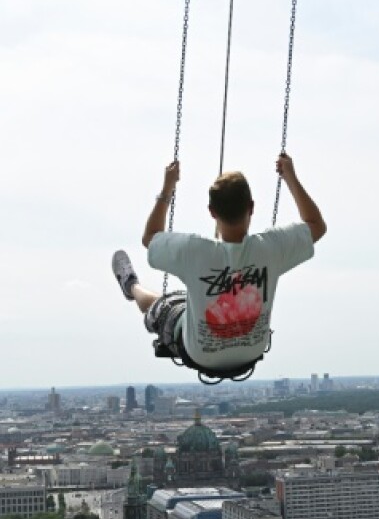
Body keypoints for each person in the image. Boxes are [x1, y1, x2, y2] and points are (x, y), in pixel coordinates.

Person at [112, 152, 325, 375]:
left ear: (212, 212)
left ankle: (131, 286)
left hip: (200, 353)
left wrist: (168, 188)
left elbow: (150, 237)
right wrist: (290, 176)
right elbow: (316, 225)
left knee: (164, 305)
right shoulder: (271, 248)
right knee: (192, 301)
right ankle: (136, 288)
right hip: (250, 350)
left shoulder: (193, 250)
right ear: (251, 207)